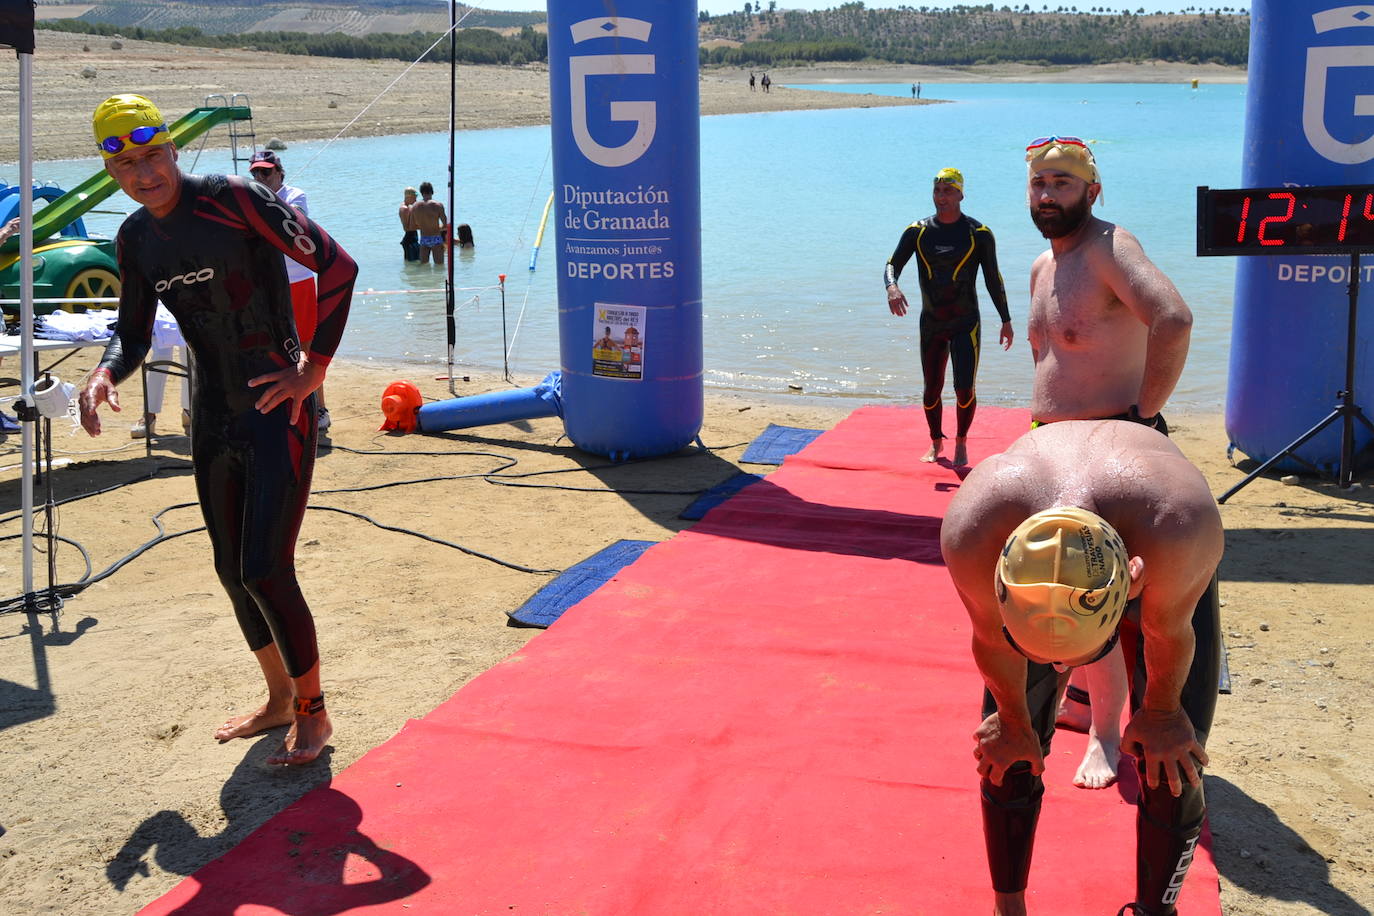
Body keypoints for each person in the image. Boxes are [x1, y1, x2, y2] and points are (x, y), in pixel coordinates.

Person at [77, 94, 357, 766]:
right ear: (112, 171)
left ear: (173, 149)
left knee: (267, 568)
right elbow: (134, 333)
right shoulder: (136, 240)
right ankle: (279, 700)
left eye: (153, 156)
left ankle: (315, 716)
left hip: (273, 406)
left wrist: (312, 370)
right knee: (232, 571)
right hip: (213, 414)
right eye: (128, 164)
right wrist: (105, 374)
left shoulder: (234, 198)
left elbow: (338, 268)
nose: (146, 174)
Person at [940, 420, 1223, 916]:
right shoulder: (973, 533)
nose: (1059, 669)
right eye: (1039, 651)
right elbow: (989, 636)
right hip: (1041, 503)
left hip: (1151, 524)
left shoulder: (1177, 527)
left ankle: (1158, 913)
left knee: (1172, 755)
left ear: (1133, 583)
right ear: (1000, 583)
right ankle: (1008, 909)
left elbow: (1169, 631)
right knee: (1006, 750)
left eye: (1083, 657)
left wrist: (1160, 712)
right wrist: (1010, 720)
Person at [1024, 136, 1196, 789]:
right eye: (1040, 183)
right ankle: (1081, 705)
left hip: (1107, 452)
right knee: (1054, 595)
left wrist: (1144, 416)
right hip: (1051, 451)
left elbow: (1173, 319)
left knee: (1101, 599)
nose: (1048, 194)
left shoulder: (1108, 247)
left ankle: (1105, 735)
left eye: (1063, 183)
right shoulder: (1044, 266)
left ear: (1093, 191)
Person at [884, 167, 1014, 466]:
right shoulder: (917, 231)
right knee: (932, 388)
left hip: (966, 322)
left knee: (964, 387)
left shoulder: (978, 234)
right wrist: (892, 287)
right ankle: (935, 442)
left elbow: (993, 278)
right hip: (932, 322)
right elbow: (892, 264)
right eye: (937, 191)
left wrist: (1006, 320)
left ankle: (961, 442)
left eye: (948, 191)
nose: (941, 197)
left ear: (961, 195)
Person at [250, 150, 330, 431]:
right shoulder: (248, 199)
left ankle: (319, 407)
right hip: (266, 283)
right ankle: (280, 405)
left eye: (266, 172)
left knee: (306, 346)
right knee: (269, 345)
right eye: (255, 173)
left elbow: (291, 231)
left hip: (298, 281)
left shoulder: (295, 195)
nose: (260, 177)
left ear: (279, 173)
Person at [411, 180, 447, 266]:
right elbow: (446, 224)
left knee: (424, 267)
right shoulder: (438, 205)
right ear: (432, 192)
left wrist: (424, 226)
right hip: (436, 238)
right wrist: (436, 227)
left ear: (421, 192)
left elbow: (413, 225)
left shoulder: (415, 206)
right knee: (439, 267)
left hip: (424, 238)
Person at [398, 186, 419, 262]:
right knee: (413, 263)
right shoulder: (404, 209)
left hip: (412, 238)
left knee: (414, 263)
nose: (416, 200)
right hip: (410, 239)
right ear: (408, 197)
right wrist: (424, 227)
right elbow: (407, 228)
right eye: (414, 197)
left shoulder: (407, 207)